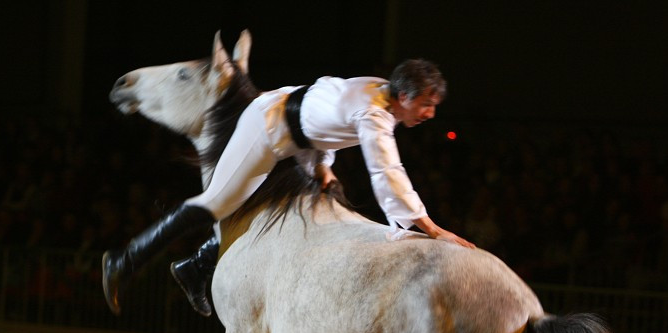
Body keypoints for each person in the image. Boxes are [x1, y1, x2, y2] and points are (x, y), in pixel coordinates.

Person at [102, 59, 474, 316]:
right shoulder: (374, 112)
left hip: (294, 133)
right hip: (267, 129)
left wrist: (324, 167)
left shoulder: (378, 91)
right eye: (427, 104)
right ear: (405, 97)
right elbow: (386, 170)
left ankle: (195, 266)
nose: (430, 114)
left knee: (272, 208)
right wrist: (430, 227)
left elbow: (326, 108)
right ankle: (125, 261)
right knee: (217, 202)